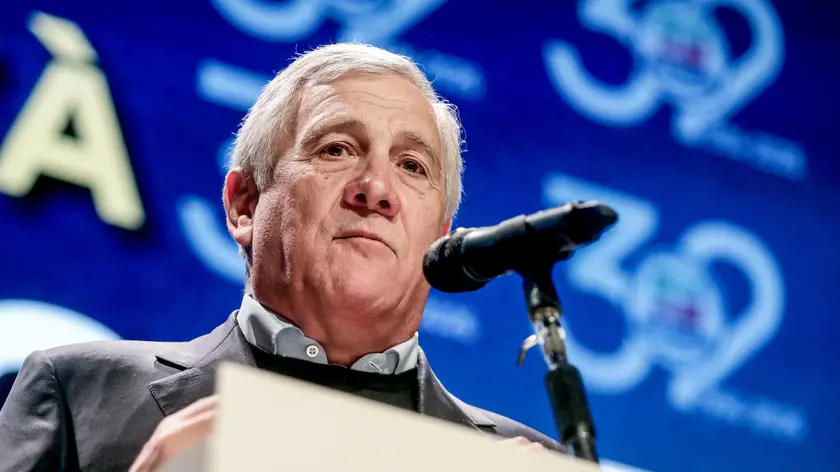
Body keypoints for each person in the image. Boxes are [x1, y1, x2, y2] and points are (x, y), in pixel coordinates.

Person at [0, 43, 564, 472]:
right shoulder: (80, 392)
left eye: (412, 166)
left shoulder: (522, 463)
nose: (376, 189)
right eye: (336, 149)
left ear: (440, 239)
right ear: (245, 205)